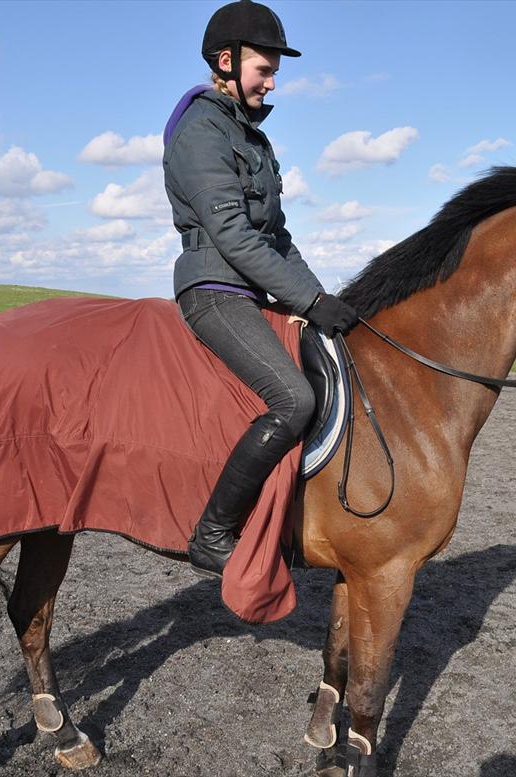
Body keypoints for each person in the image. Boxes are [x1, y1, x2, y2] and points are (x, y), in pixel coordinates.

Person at [163, 0, 358, 578]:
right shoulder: (201, 130)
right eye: (264, 71)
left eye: (275, 73)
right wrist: (308, 302)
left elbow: (277, 237)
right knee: (294, 398)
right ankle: (213, 534)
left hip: (253, 288)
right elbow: (234, 237)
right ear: (226, 61)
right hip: (215, 289)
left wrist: (322, 302)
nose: (272, 83)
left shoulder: (251, 137)